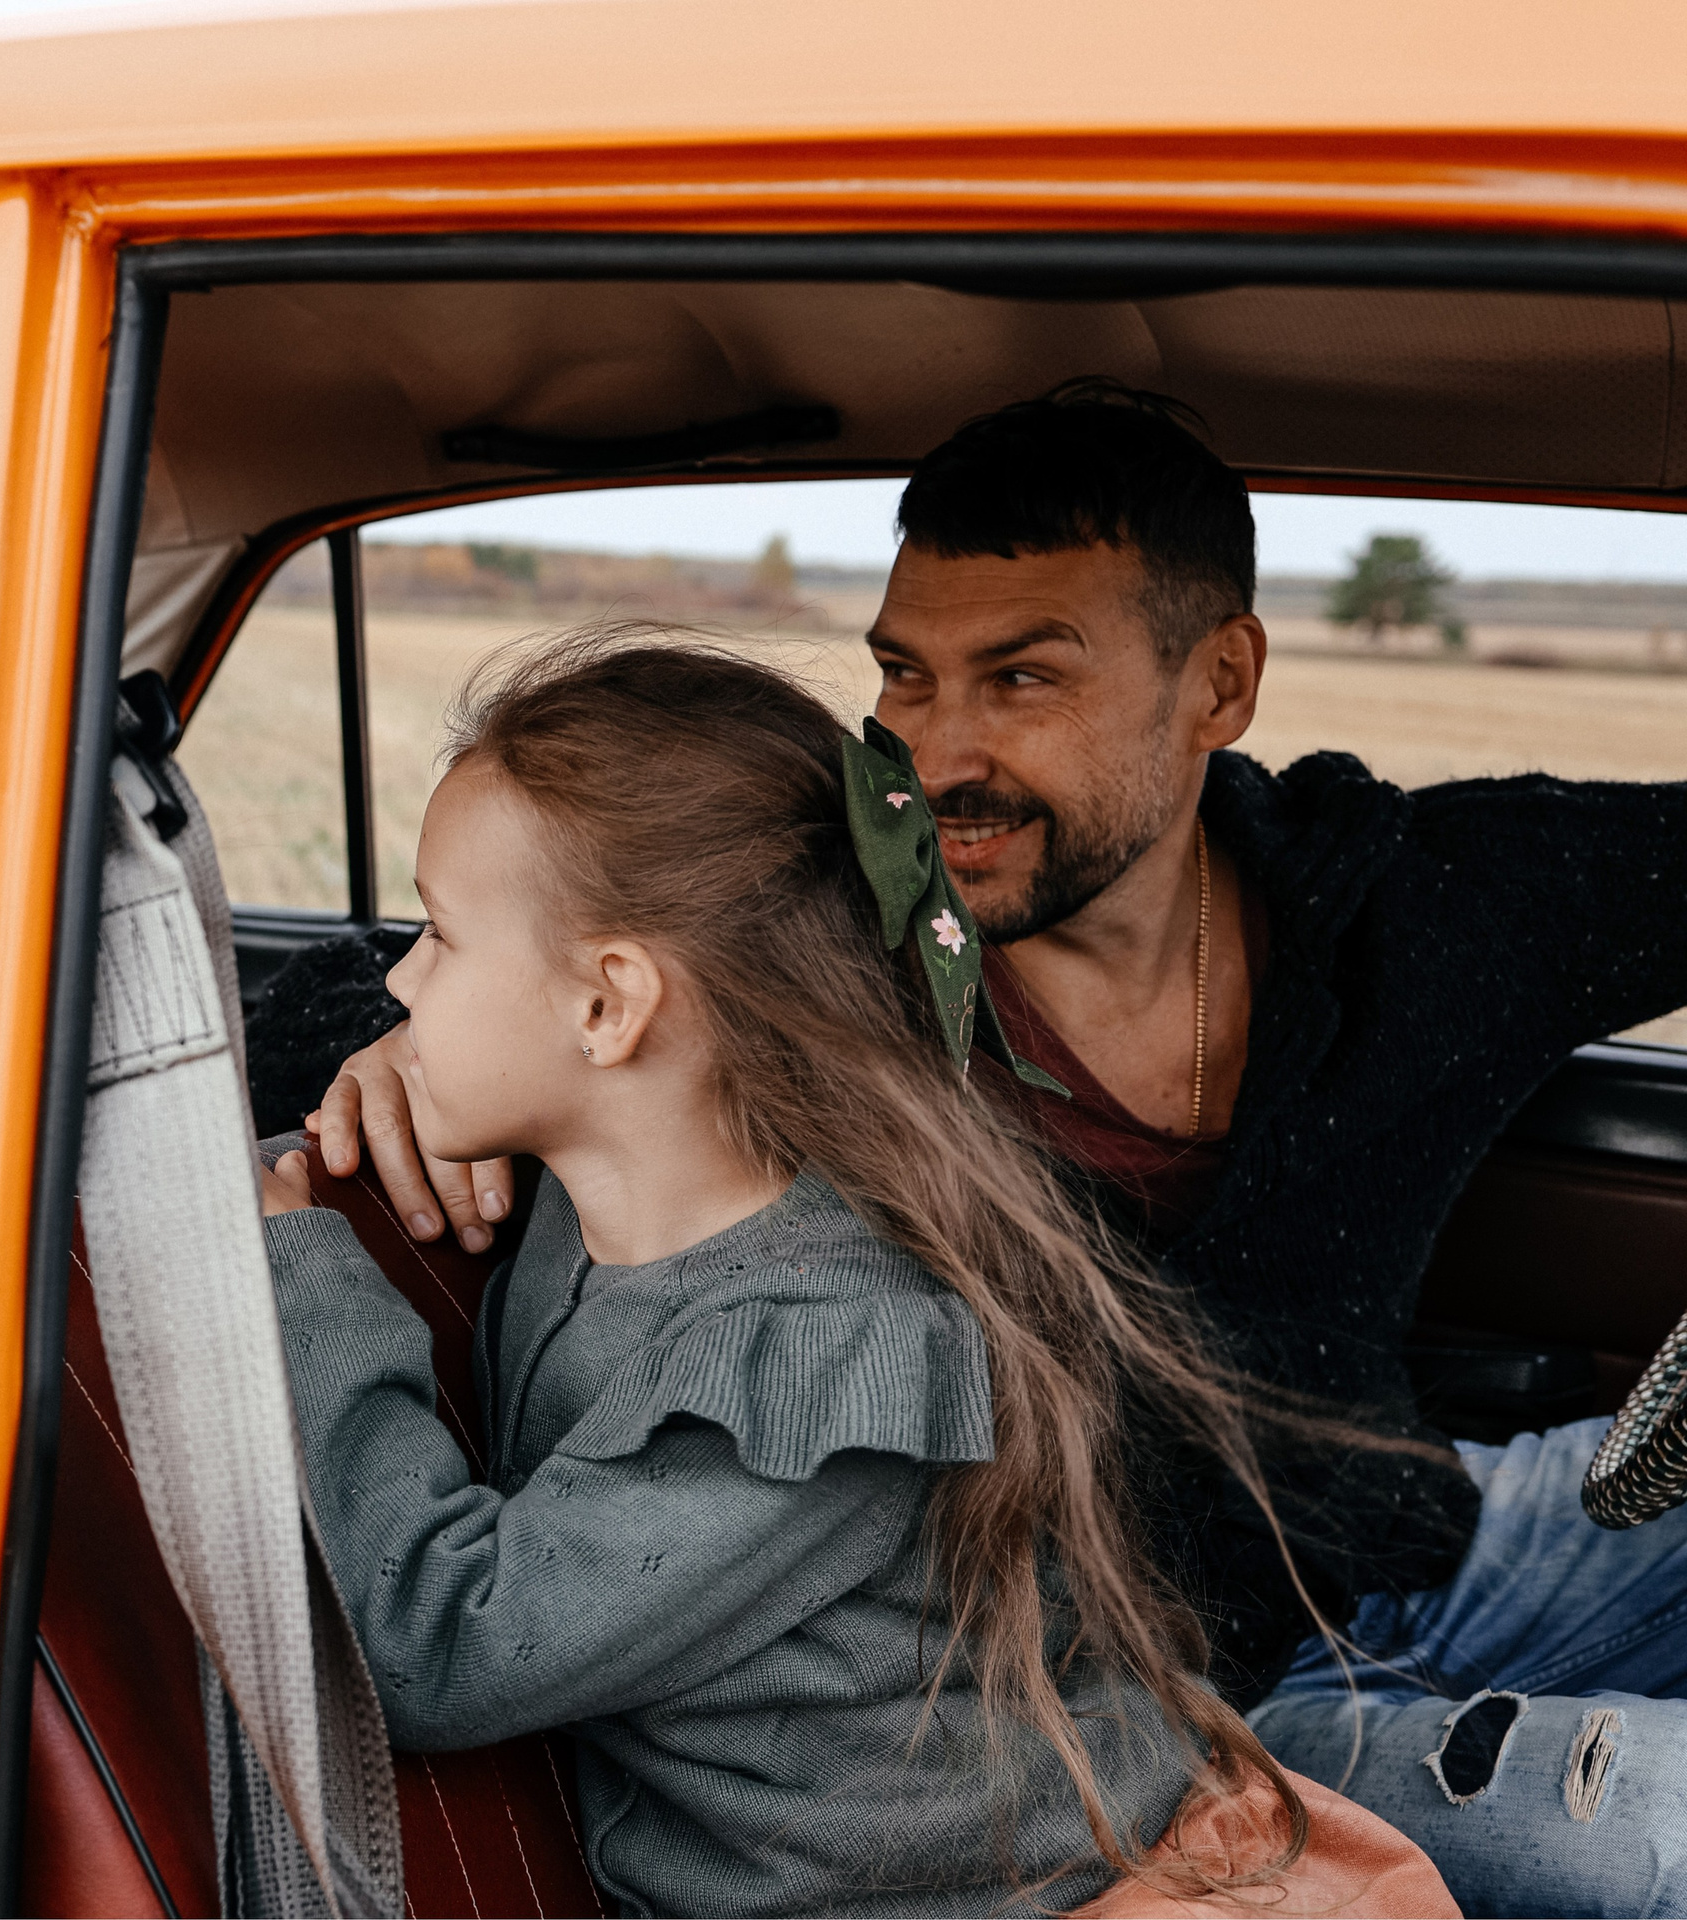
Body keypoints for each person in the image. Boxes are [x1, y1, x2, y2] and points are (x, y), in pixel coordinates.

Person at [294, 384, 1687, 1914]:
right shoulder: (836, 952)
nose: (934, 752)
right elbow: (526, 967)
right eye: (904, 675)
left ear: (1219, 681)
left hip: (1433, 1542)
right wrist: (370, 1060)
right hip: (1156, 1711)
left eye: (1019, 680)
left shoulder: (1412, 907)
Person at [258, 635, 1449, 1916]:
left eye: (435, 936)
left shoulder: (814, 1364)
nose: (397, 978)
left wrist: (302, 1284)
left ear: (609, 1008)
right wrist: (391, 1071)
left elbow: (445, 1646)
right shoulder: (601, 1186)